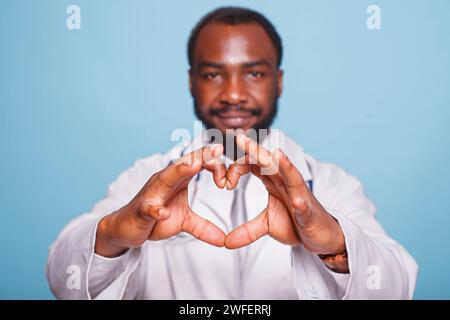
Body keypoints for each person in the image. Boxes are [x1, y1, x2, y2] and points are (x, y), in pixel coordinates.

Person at [46, 6, 418, 299]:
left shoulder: (330, 184)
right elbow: (64, 280)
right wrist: (115, 232)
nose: (234, 94)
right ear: (191, 81)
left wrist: (335, 242)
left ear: (279, 81)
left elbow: (396, 287)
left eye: (254, 73)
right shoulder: (145, 179)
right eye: (213, 75)